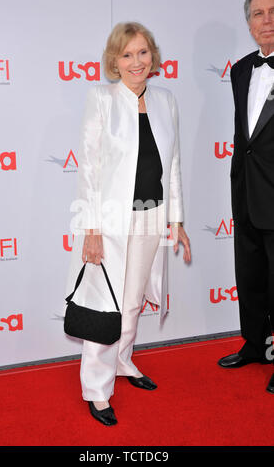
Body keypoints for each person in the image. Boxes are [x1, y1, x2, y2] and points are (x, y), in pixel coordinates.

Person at [65, 21, 191, 426]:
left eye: (142, 52)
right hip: (111, 222)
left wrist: (177, 219)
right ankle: (97, 391)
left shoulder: (166, 100)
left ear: (152, 57)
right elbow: (88, 168)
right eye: (127, 54)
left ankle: (124, 362)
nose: (136, 61)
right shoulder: (101, 98)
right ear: (114, 62)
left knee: (133, 300)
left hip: (153, 217)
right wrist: (92, 229)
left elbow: (171, 166)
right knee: (107, 305)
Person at [218, 0, 274, 394]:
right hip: (246, 192)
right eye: (258, 13)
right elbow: (246, 138)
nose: (267, 20)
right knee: (250, 276)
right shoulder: (240, 70)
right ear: (249, 23)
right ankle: (256, 345)